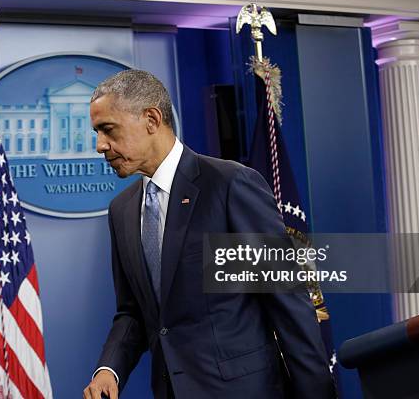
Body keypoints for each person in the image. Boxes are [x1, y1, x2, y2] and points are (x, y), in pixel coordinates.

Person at [82, 70, 336, 399]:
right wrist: (109, 369)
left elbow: (288, 301)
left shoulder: (230, 184)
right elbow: (132, 311)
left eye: (108, 130)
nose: (100, 145)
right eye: (97, 133)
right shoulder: (122, 210)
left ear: (151, 119)